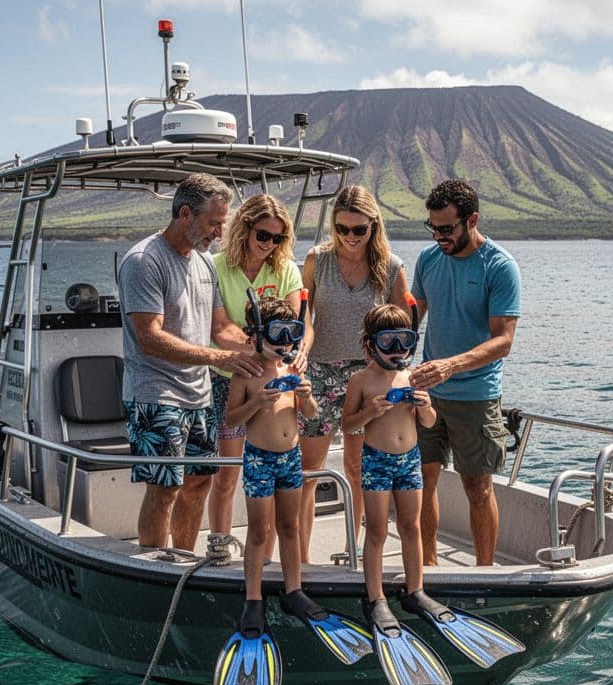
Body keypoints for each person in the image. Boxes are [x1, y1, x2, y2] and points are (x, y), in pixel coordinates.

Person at [342, 303, 523, 685]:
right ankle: (375, 597)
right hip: (377, 462)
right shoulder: (361, 381)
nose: (396, 351)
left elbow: (429, 422)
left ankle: (415, 589)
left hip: (409, 461)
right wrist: (370, 412)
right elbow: (349, 425)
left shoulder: (412, 378)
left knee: (410, 526)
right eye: (387, 342)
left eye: (403, 342)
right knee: (376, 530)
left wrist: (425, 408)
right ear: (369, 346)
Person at [213, 296, 370, 685]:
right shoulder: (246, 373)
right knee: (260, 531)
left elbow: (314, 415)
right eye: (278, 336)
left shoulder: (292, 368)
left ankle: (294, 589)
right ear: (257, 335)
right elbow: (231, 419)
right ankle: (253, 599)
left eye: (293, 336)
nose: (286, 344)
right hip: (260, 460)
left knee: (289, 526)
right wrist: (257, 402)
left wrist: (306, 394)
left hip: (291, 457)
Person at [117, 172, 265, 551]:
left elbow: (220, 327)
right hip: (156, 395)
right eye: (215, 223)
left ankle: (183, 560)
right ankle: (153, 571)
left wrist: (258, 350)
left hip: (198, 395)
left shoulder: (204, 262)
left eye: (222, 223)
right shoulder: (143, 261)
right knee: (165, 488)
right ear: (186, 213)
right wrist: (220, 358)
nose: (219, 233)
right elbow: (149, 338)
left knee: (199, 482)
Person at [409, 179, 521, 567]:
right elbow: (412, 318)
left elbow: (503, 340)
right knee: (422, 481)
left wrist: (451, 365)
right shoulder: (427, 260)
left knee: (478, 487)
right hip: (427, 393)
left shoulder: (500, 266)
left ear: (471, 220)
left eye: (447, 228)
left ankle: (485, 572)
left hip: (475, 393)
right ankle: (428, 568)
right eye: (433, 228)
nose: (439, 236)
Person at [296, 185, 410, 563]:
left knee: (358, 467)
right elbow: (306, 320)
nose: (349, 238)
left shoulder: (391, 267)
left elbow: (401, 330)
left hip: (368, 376)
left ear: (373, 226)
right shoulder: (317, 260)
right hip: (322, 371)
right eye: (342, 228)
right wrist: (302, 351)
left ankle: (353, 547)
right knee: (310, 469)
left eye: (358, 230)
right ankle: (301, 556)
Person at [204, 194, 305, 539]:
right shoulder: (216, 266)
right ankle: (219, 542)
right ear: (244, 229)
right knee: (229, 472)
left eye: (278, 238)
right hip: (229, 376)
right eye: (263, 235)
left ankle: (267, 556)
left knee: (276, 467)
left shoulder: (286, 269)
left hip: (275, 378)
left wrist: (297, 350)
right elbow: (218, 328)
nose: (269, 244)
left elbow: (295, 324)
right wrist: (258, 347)